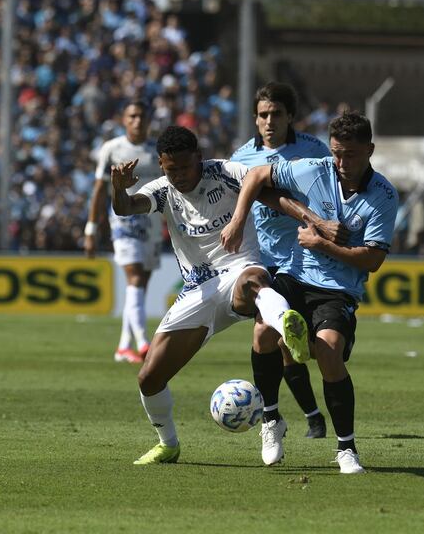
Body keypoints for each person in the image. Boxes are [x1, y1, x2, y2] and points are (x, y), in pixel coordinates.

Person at [111, 125, 340, 466]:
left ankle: (285, 325)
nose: (180, 176)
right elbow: (127, 207)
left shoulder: (226, 172)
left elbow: (270, 195)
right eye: (171, 169)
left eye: (186, 167)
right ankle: (168, 444)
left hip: (240, 270)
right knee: (149, 377)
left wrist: (313, 220)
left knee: (254, 281)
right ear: (161, 164)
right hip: (197, 290)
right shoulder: (163, 190)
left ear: (199, 158)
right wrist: (118, 189)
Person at [221, 111, 398, 474]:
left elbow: (373, 259)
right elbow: (257, 176)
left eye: (350, 154)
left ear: (370, 150)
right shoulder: (316, 168)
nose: (341, 162)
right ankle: (271, 420)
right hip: (296, 275)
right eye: (336, 152)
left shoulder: (384, 195)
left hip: (338, 291)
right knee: (263, 330)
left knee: (329, 352)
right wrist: (239, 219)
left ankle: (346, 448)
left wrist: (321, 243)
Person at [231, 82, 334, 466]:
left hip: (306, 260)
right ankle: (273, 419)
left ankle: (313, 417)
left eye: (275, 114)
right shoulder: (241, 158)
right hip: (262, 261)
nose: (268, 121)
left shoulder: (313, 150)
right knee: (266, 333)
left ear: (290, 116)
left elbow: (329, 198)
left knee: (291, 350)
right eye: (262, 115)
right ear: (255, 118)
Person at [85, 101, 162, 363]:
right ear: (124, 120)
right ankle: (143, 343)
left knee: (141, 283)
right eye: (132, 116)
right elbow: (98, 190)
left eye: (142, 116)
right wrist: (91, 229)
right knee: (136, 277)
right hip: (123, 221)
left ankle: (123, 346)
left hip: (152, 222)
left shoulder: (156, 151)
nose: (137, 121)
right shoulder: (112, 149)